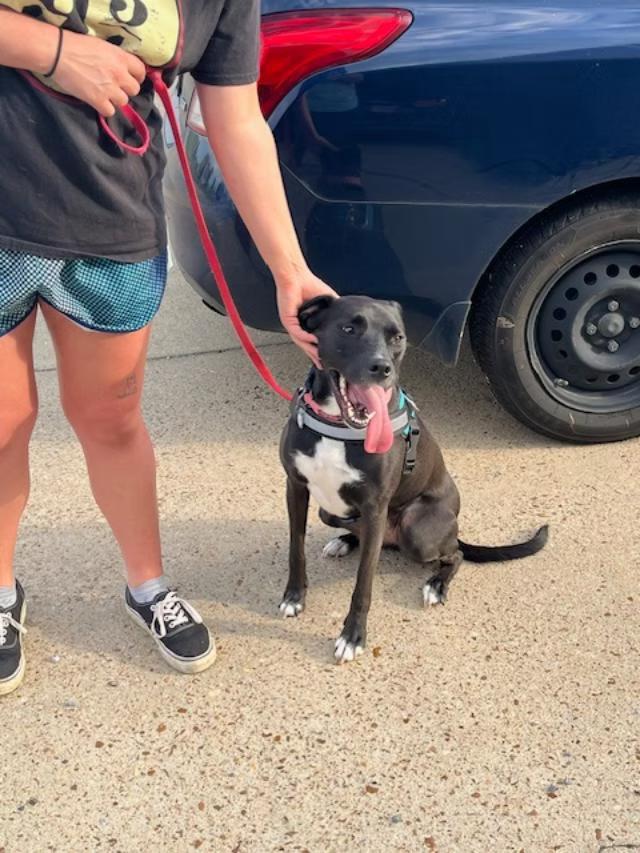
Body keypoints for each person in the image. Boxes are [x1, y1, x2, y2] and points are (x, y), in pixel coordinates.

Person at [0, 1, 337, 695]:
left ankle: (147, 586)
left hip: (109, 227)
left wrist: (287, 265)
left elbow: (236, 118)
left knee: (113, 420)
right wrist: (54, 52)